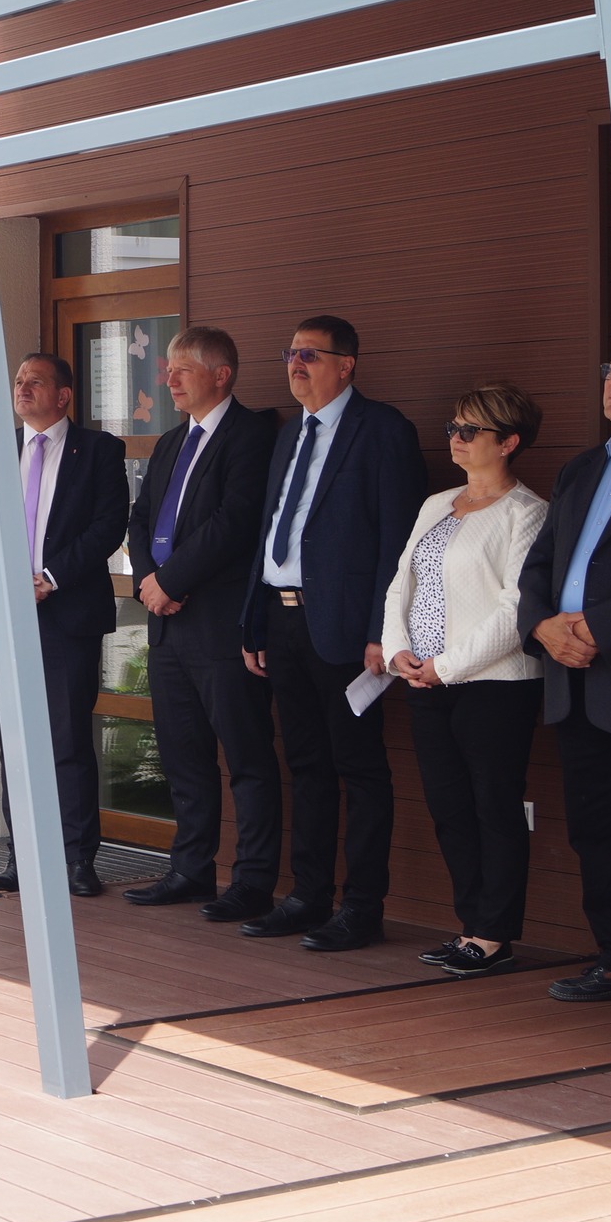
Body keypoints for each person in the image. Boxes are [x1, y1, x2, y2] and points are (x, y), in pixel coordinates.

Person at [240, 315, 424, 952]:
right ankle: (307, 896)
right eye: (290, 354)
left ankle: (362, 907)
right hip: (283, 619)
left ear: (347, 365)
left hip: (347, 629)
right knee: (306, 764)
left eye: (310, 355)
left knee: (359, 767)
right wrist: (255, 620)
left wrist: (381, 630)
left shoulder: (383, 430)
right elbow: (270, 532)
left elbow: (397, 540)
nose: (296, 364)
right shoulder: (290, 434)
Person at [379, 383, 547, 977]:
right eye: (453, 427)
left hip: (494, 687)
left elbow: (515, 610)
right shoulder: (437, 504)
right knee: (449, 806)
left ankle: (493, 935)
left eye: (470, 430)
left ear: (508, 442)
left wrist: (445, 666)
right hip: (426, 682)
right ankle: (470, 926)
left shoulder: (527, 513)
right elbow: (402, 583)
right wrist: (399, 652)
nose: (455, 438)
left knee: (493, 806)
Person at [119, 326, 282, 922]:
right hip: (167, 626)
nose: (169, 379)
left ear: (221, 374)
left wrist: (171, 580)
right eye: (167, 368)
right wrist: (148, 580)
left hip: (219, 624)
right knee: (183, 756)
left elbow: (234, 522)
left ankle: (253, 882)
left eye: (182, 369)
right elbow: (140, 519)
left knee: (247, 757)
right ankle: (190, 869)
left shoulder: (253, 435)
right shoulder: (170, 442)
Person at [517, 340, 611, 1012]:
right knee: (595, 829)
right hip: (572, 681)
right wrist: (543, 626)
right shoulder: (581, 468)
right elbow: (538, 565)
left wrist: (605, 626)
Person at [0, 353, 128, 897]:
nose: (22, 388)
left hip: (68, 614)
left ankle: (78, 858)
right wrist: (6, 581)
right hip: (11, 616)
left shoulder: (99, 451)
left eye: (35, 381)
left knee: (66, 737)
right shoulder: (0, 447)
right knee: (15, 737)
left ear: (63, 395)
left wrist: (51, 577)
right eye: (18, 381)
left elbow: (108, 526)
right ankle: (23, 855)